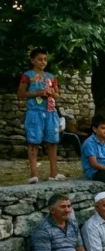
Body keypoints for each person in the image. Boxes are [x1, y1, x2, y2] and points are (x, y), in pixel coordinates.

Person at [17, 48, 64, 184]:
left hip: (50, 112)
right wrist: (37, 93)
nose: (43, 62)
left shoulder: (51, 76)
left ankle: (54, 173)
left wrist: (51, 93)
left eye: (45, 59)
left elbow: (57, 95)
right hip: (34, 112)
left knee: (52, 142)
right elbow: (20, 93)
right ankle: (34, 174)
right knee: (33, 142)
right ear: (32, 60)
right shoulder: (28, 75)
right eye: (39, 59)